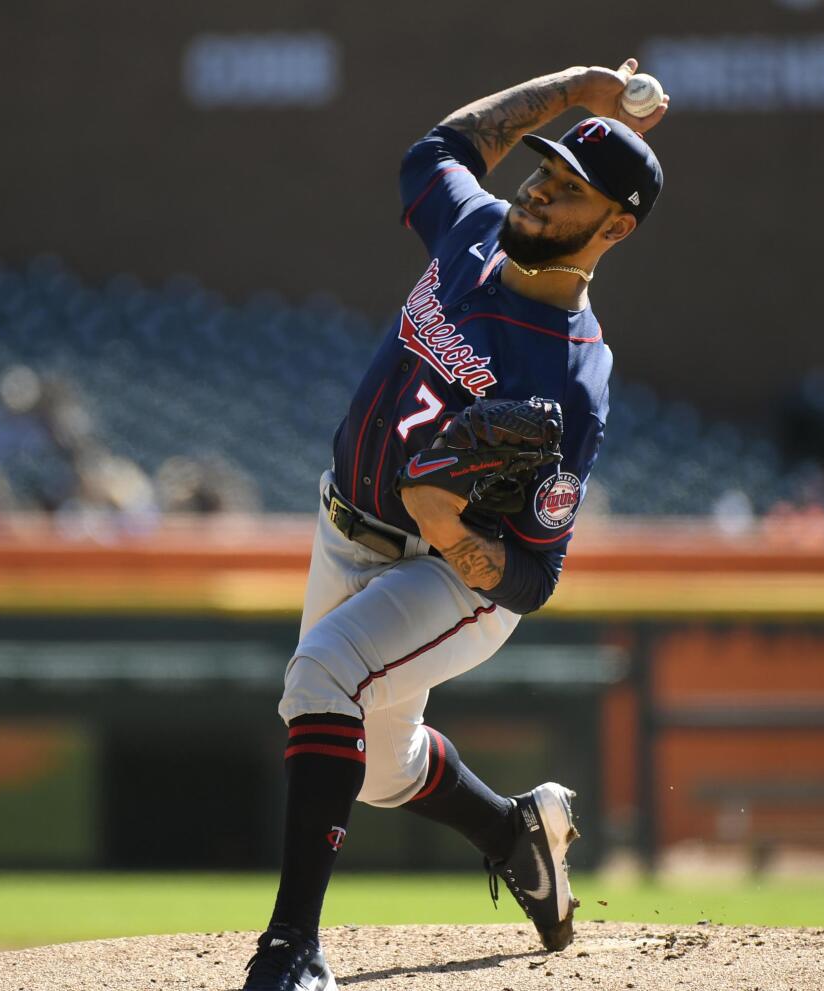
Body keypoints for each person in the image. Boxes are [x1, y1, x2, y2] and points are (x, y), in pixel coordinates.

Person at [242, 58, 667, 991]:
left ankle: (291, 949)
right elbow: (437, 150)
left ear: (615, 227)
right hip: (344, 522)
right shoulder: (476, 230)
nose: (540, 190)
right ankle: (515, 833)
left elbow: (532, 579)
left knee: (321, 676)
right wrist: (574, 88)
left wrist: (447, 524)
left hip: (453, 581)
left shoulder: (571, 380)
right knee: (379, 768)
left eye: (569, 194)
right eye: (545, 173)